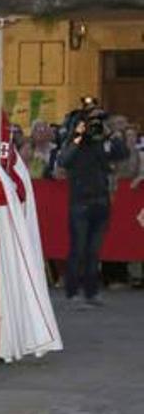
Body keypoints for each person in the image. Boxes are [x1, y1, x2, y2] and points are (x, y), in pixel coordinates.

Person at [56, 98, 129, 308]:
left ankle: (91, 292)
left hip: (101, 200)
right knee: (78, 249)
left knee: (93, 251)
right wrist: (79, 135)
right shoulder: (76, 143)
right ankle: (72, 293)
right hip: (80, 201)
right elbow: (63, 160)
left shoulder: (101, 144)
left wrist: (112, 133)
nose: (94, 126)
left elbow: (122, 154)